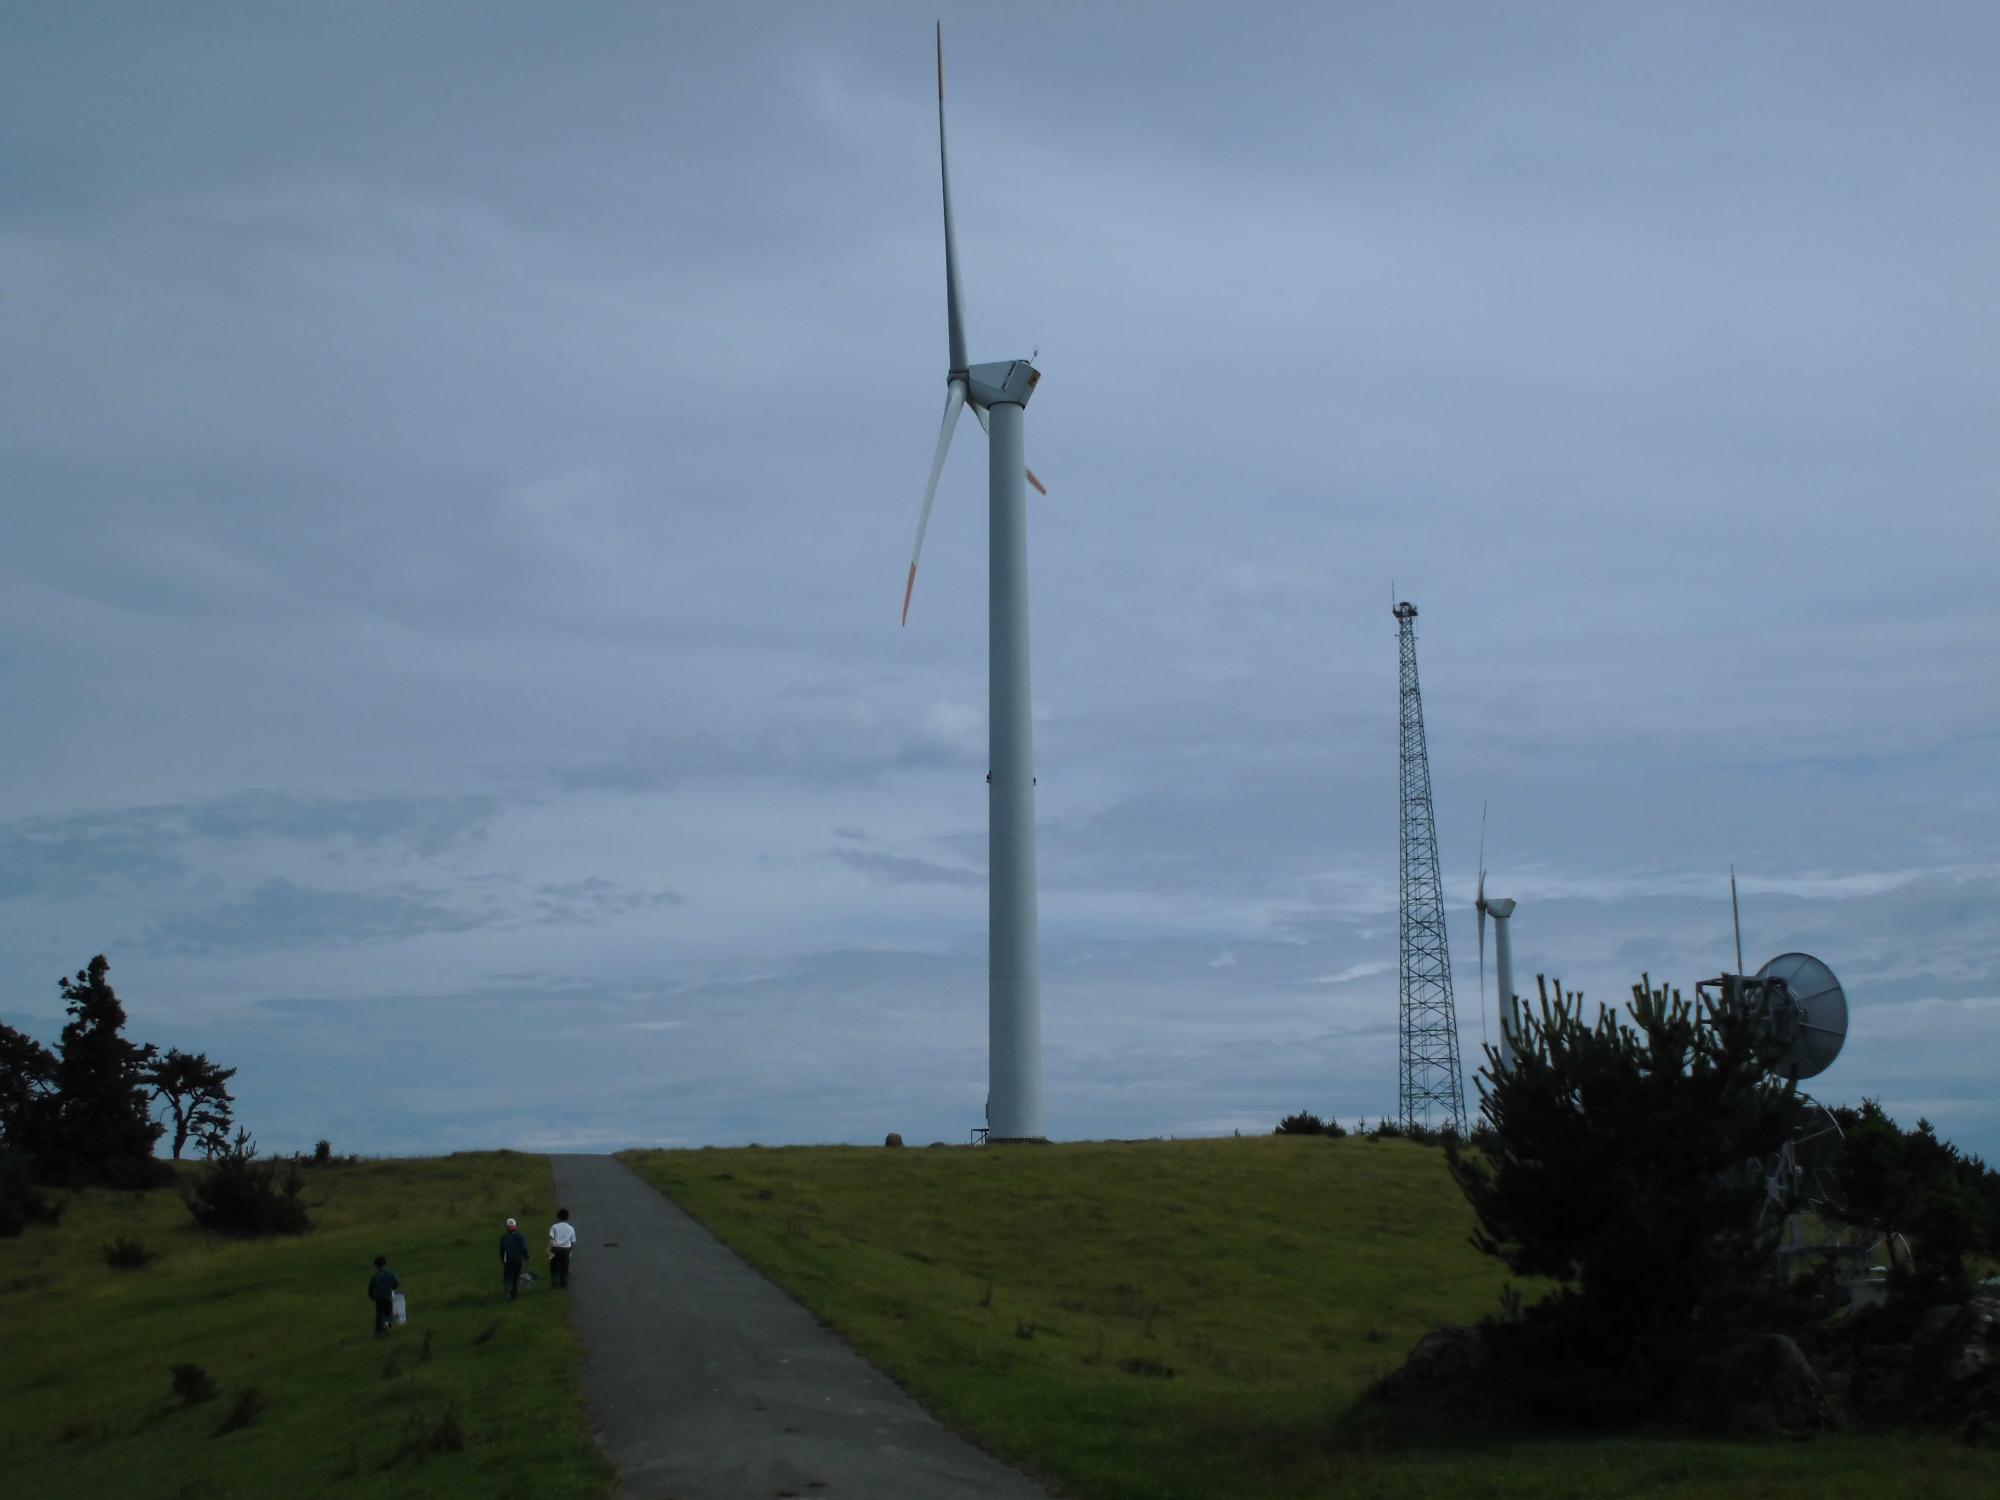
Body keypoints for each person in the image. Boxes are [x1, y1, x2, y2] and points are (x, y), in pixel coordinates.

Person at [368, 1254, 399, 1336]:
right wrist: (392, 1288)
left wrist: (372, 1296)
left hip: (379, 1299)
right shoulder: (390, 1273)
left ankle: (379, 1332)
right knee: (388, 1315)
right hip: (388, 1297)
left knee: (379, 1315)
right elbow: (396, 1282)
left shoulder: (375, 1276)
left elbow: (371, 1288)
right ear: (385, 1264)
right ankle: (388, 1330)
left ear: (376, 1266)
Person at [499, 1216, 529, 1300]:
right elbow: (524, 1247)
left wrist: (502, 1259)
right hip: (518, 1260)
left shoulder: (504, 1237)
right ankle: (514, 1295)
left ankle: (508, 1291)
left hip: (508, 1260)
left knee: (508, 1276)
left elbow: (501, 1250)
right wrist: (526, 1257)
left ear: (507, 1227)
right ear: (515, 1226)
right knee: (515, 1277)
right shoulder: (520, 1236)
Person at [548, 1207, 578, 1289]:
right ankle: (563, 1283)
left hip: (555, 1249)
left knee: (553, 1266)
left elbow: (551, 1239)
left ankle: (554, 1282)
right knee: (564, 1267)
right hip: (565, 1250)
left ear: (558, 1217)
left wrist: (549, 1250)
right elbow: (573, 1242)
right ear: (567, 1217)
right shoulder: (571, 1228)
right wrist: (570, 1251)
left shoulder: (554, 1226)